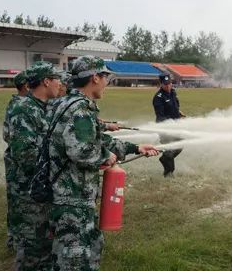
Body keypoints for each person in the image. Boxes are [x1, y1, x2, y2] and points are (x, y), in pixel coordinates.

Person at [48, 55, 159, 271]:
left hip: (70, 195)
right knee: (75, 259)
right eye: (106, 76)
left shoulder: (68, 103)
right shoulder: (80, 110)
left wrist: (135, 148)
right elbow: (82, 151)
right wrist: (105, 157)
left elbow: (96, 140)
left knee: (90, 247)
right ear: (95, 78)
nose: (107, 83)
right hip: (72, 198)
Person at [4, 62, 63, 270]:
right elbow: (26, 155)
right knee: (32, 248)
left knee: (45, 244)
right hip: (28, 191)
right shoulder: (23, 110)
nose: (60, 83)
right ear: (46, 81)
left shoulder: (46, 107)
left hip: (43, 188)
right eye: (57, 79)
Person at [3, 71, 29, 250]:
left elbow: (6, 135)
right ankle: (19, 239)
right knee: (21, 201)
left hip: (12, 159)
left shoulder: (14, 103)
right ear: (26, 86)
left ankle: (13, 236)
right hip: (18, 162)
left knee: (14, 200)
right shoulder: (21, 107)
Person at [152, 74, 185, 177]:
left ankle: (164, 158)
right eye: (165, 84)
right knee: (170, 149)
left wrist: (179, 113)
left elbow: (175, 106)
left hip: (175, 126)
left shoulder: (173, 92)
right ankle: (169, 172)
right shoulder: (158, 98)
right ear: (161, 84)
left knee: (179, 146)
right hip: (164, 128)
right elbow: (160, 116)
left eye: (170, 83)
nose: (168, 86)